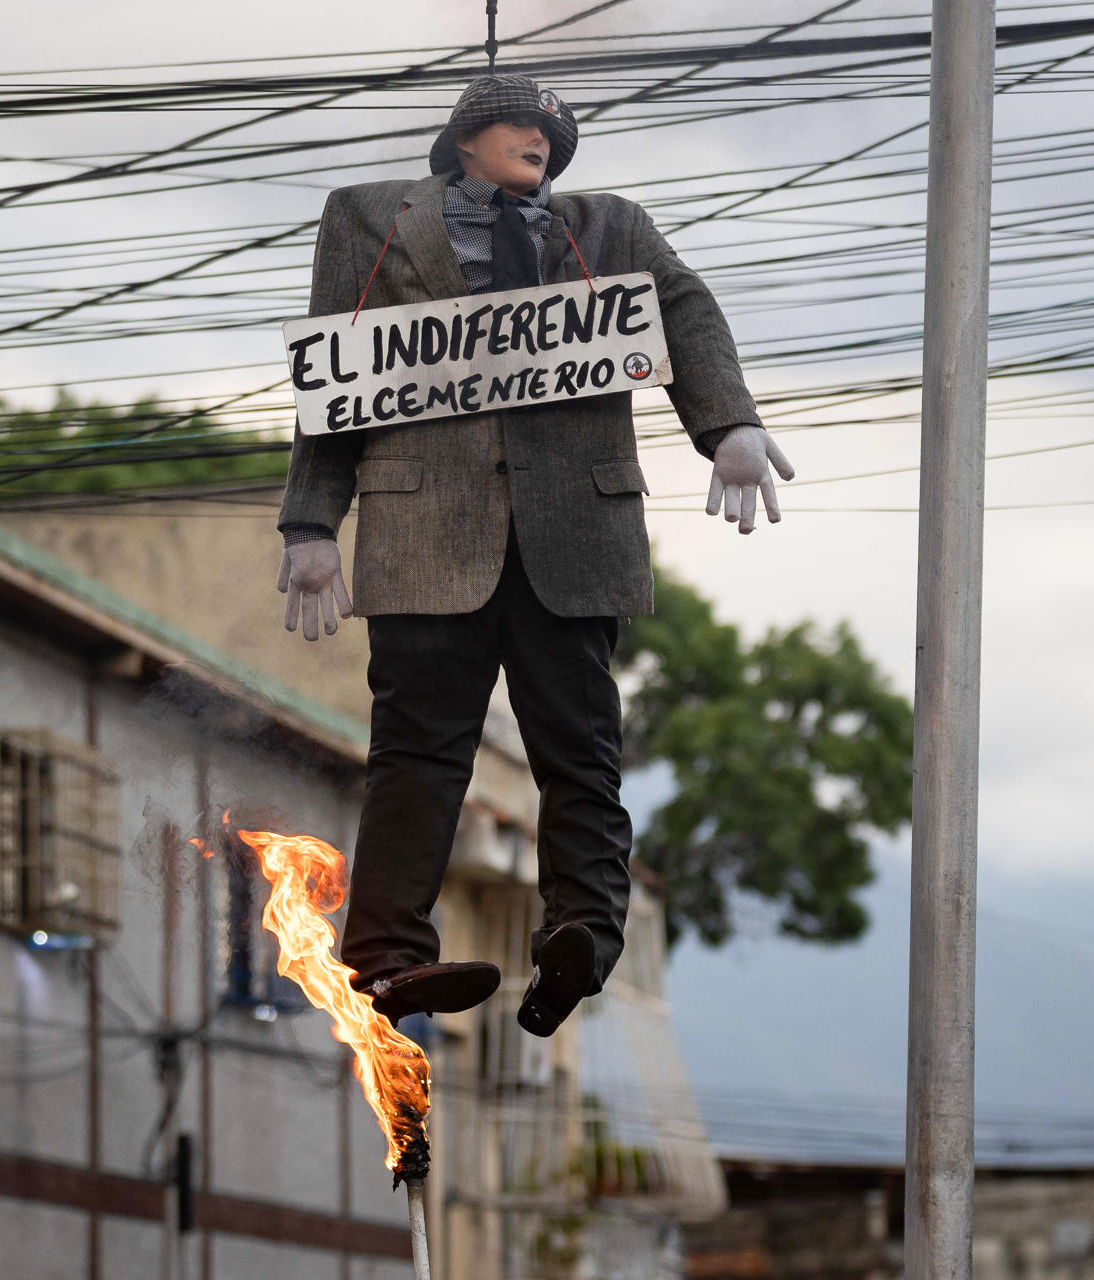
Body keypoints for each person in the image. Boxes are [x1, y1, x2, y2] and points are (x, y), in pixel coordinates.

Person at [276, 74, 792, 1036]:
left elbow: (687, 311)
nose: (541, 141)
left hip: (576, 531)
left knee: (582, 748)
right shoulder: (367, 218)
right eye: (520, 125)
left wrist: (729, 424)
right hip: (425, 528)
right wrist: (310, 523)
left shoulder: (611, 228)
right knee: (417, 752)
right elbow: (339, 376)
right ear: (465, 138)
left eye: (555, 133)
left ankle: (581, 938)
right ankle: (387, 958)